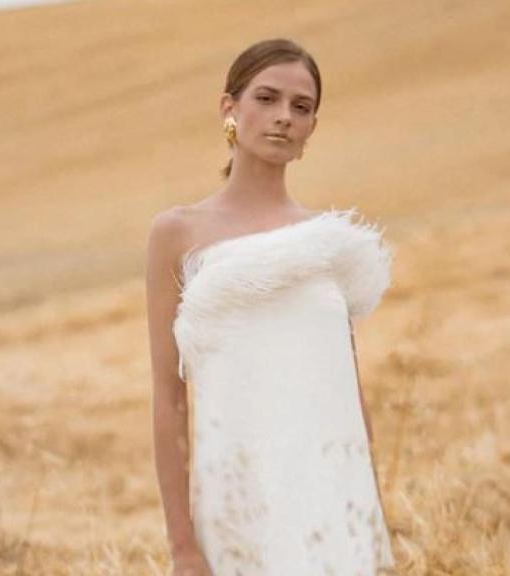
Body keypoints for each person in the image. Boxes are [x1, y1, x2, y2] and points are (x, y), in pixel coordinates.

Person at [146, 38, 396, 575]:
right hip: (238, 499)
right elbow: (169, 400)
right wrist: (182, 547)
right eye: (267, 98)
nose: (284, 117)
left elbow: (348, 389)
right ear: (229, 108)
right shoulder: (177, 233)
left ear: (311, 128)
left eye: (301, 107)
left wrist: (371, 519)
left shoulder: (328, 242)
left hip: (333, 502)